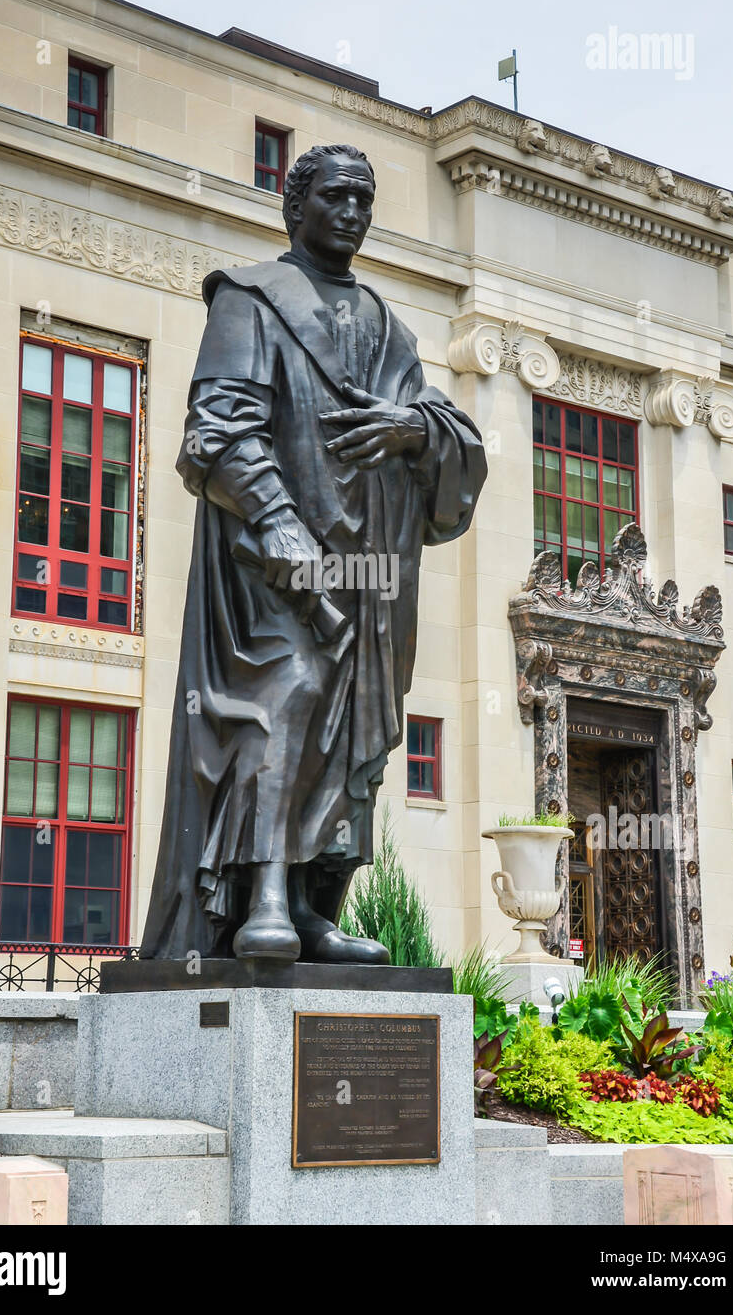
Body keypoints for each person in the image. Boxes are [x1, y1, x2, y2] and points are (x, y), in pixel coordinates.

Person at [140, 143, 487, 963]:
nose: (353, 213)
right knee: (284, 699)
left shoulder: (388, 326)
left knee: (361, 726)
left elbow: (454, 437)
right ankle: (260, 895)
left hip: (373, 576)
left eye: (365, 200)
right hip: (274, 566)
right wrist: (278, 522)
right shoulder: (250, 300)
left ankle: (315, 908)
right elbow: (216, 430)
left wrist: (415, 429)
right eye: (335, 196)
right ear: (294, 207)